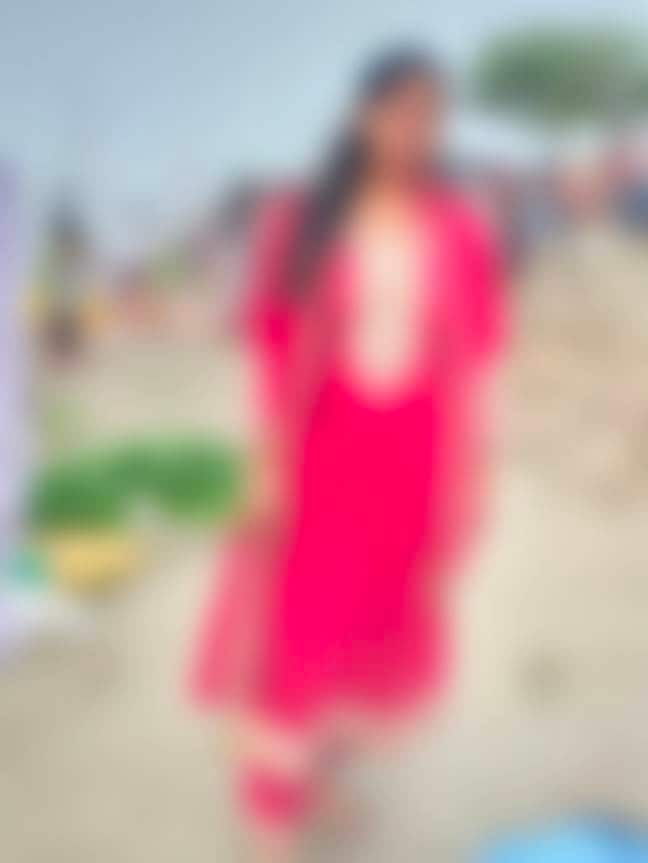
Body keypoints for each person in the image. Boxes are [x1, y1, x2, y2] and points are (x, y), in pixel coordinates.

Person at [189, 44, 506, 862]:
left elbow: (478, 354)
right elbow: (272, 338)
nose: (416, 128)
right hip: (320, 459)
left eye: (431, 113)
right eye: (400, 109)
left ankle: (317, 779)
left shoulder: (459, 225)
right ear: (361, 114)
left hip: (413, 464)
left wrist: (474, 474)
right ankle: (271, 816)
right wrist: (267, 460)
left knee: (366, 635)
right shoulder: (300, 218)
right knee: (296, 636)